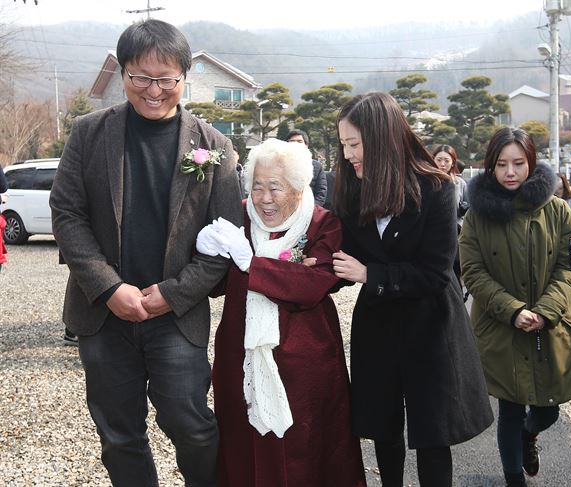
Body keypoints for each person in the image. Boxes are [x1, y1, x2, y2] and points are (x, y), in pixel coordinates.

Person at [49, 19, 243, 486]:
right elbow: (67, 214)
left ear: (183, 77)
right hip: (105, 313)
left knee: (191, 425)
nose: (153, 90)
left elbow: (226, 239)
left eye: (166, 79)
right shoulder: (90, 132)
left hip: (175, 314)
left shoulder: (213, 146)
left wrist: (171, 295)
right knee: (119, 435)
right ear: (123, 74)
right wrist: (109, 287)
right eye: (141, 77)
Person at [333, 92, 493, 487]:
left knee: (432, 433)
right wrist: (303, 267)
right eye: (343, 144)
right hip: (379, 326)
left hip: (431, 326)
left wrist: (372, 275)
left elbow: (436, 273)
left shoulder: (436, 188)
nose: (348, 153)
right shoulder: (352, 191)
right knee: (384, 430)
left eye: (354, 144)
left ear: (382, 138)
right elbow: (341, 261)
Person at [196, 138, 366, 486]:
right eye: (257, 187)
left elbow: (314, 283)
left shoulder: (323, 224)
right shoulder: (239, 216)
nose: (265, 198)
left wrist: (251, 263)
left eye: (276, 187)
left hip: (307, 362)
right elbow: (213, 285)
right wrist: (206, 248)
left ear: (300, 187)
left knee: (307, 447)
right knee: (241, 442)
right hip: (239, 356)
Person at [459, 128, 571, 487]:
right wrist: (513, 310)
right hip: (501, 326)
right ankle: (513, 478)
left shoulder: (557, 210)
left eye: (518, 163)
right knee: (510, 406)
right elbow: (472, 271)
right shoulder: (477, 216)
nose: (510, 172)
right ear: (490, 167)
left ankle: (528, 434)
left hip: (550, 325)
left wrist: (546, 310)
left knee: (548, 409)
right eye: (501, 164)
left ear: (531, 163)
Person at [285, 129, 327, 206]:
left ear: (306, 145)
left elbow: (321, 194)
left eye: (299, 141)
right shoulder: (280, 165)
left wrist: (309, 210)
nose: (296, 144)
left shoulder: (316, 166)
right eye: (292, 141)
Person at [432, 144, 469, 228]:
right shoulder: (426, 183)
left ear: (453, 163)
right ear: (433, 160)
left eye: (446, 160)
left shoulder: (460, 183)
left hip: (455, 231)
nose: (442, 164)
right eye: (439, 160)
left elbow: (468, 208)